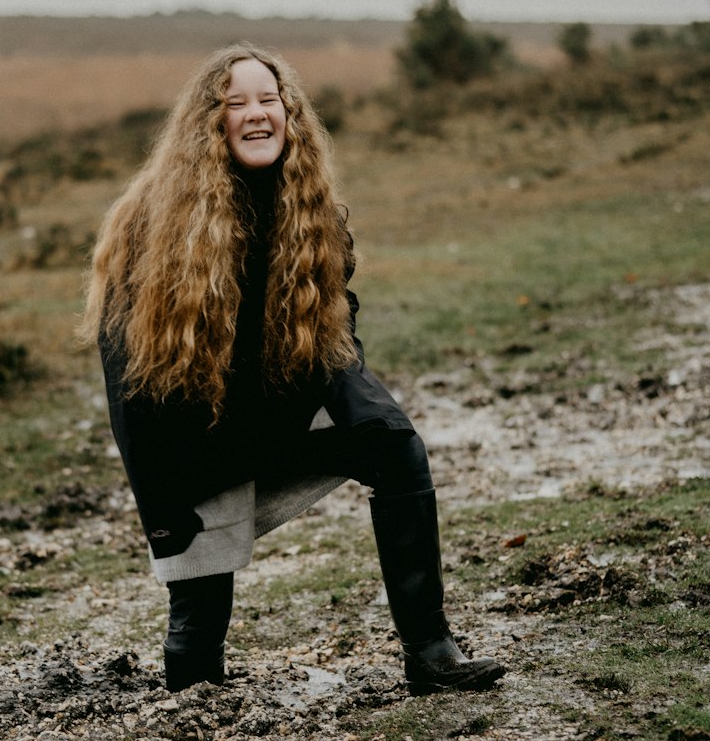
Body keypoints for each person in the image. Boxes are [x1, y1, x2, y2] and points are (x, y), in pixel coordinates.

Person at [83, 43, 505, 697]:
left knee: (394, 444)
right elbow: (130, 394)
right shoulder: (149, 227)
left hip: (273, 416)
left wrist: (361, 406)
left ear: (290, 114)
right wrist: (166, 513)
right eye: (236, 102)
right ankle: (190, 732)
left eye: (268, 99)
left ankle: (432, 651)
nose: (256, 113)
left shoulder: (309, 212)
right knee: (194, 655)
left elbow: (338, 328)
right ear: (210, 123)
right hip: (193, 446)